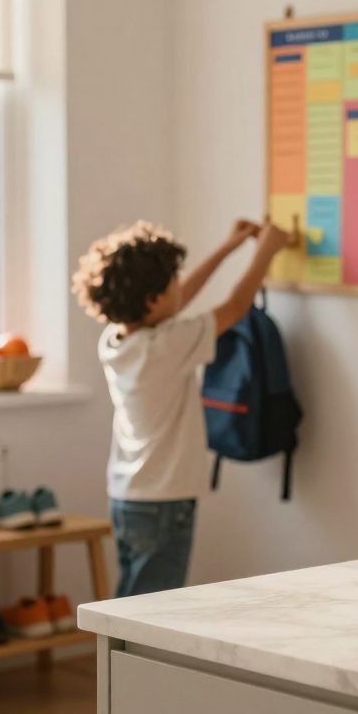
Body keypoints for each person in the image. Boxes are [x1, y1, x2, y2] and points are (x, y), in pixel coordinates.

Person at [71, 218, 291, 596]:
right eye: (173, 280)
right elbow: (236, 307)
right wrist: (265, 253)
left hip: (128, 497)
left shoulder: (117, 340)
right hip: (164, 501)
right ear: (152, 299)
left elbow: (178, 300)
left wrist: (229, 246)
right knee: (151, 608)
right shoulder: (165, 347)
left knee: (131, 600)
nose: (180, 285)